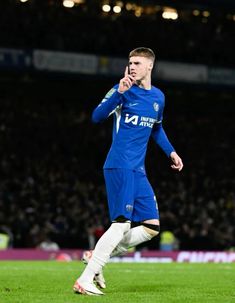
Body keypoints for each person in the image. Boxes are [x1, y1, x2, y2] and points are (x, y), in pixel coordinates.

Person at [73, 47, 183, 295]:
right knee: (121, 224)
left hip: (138, 169)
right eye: (130, 62)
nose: (132, 67)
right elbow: (96, 116)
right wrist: (118, 93)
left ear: (149, 66)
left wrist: (171, 151)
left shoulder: (158, 97)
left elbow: (156, 128)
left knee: (151, 226)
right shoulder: (122, 89)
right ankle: (85, 279)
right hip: (120, 164)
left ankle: (96, 256)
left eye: (137, 63)